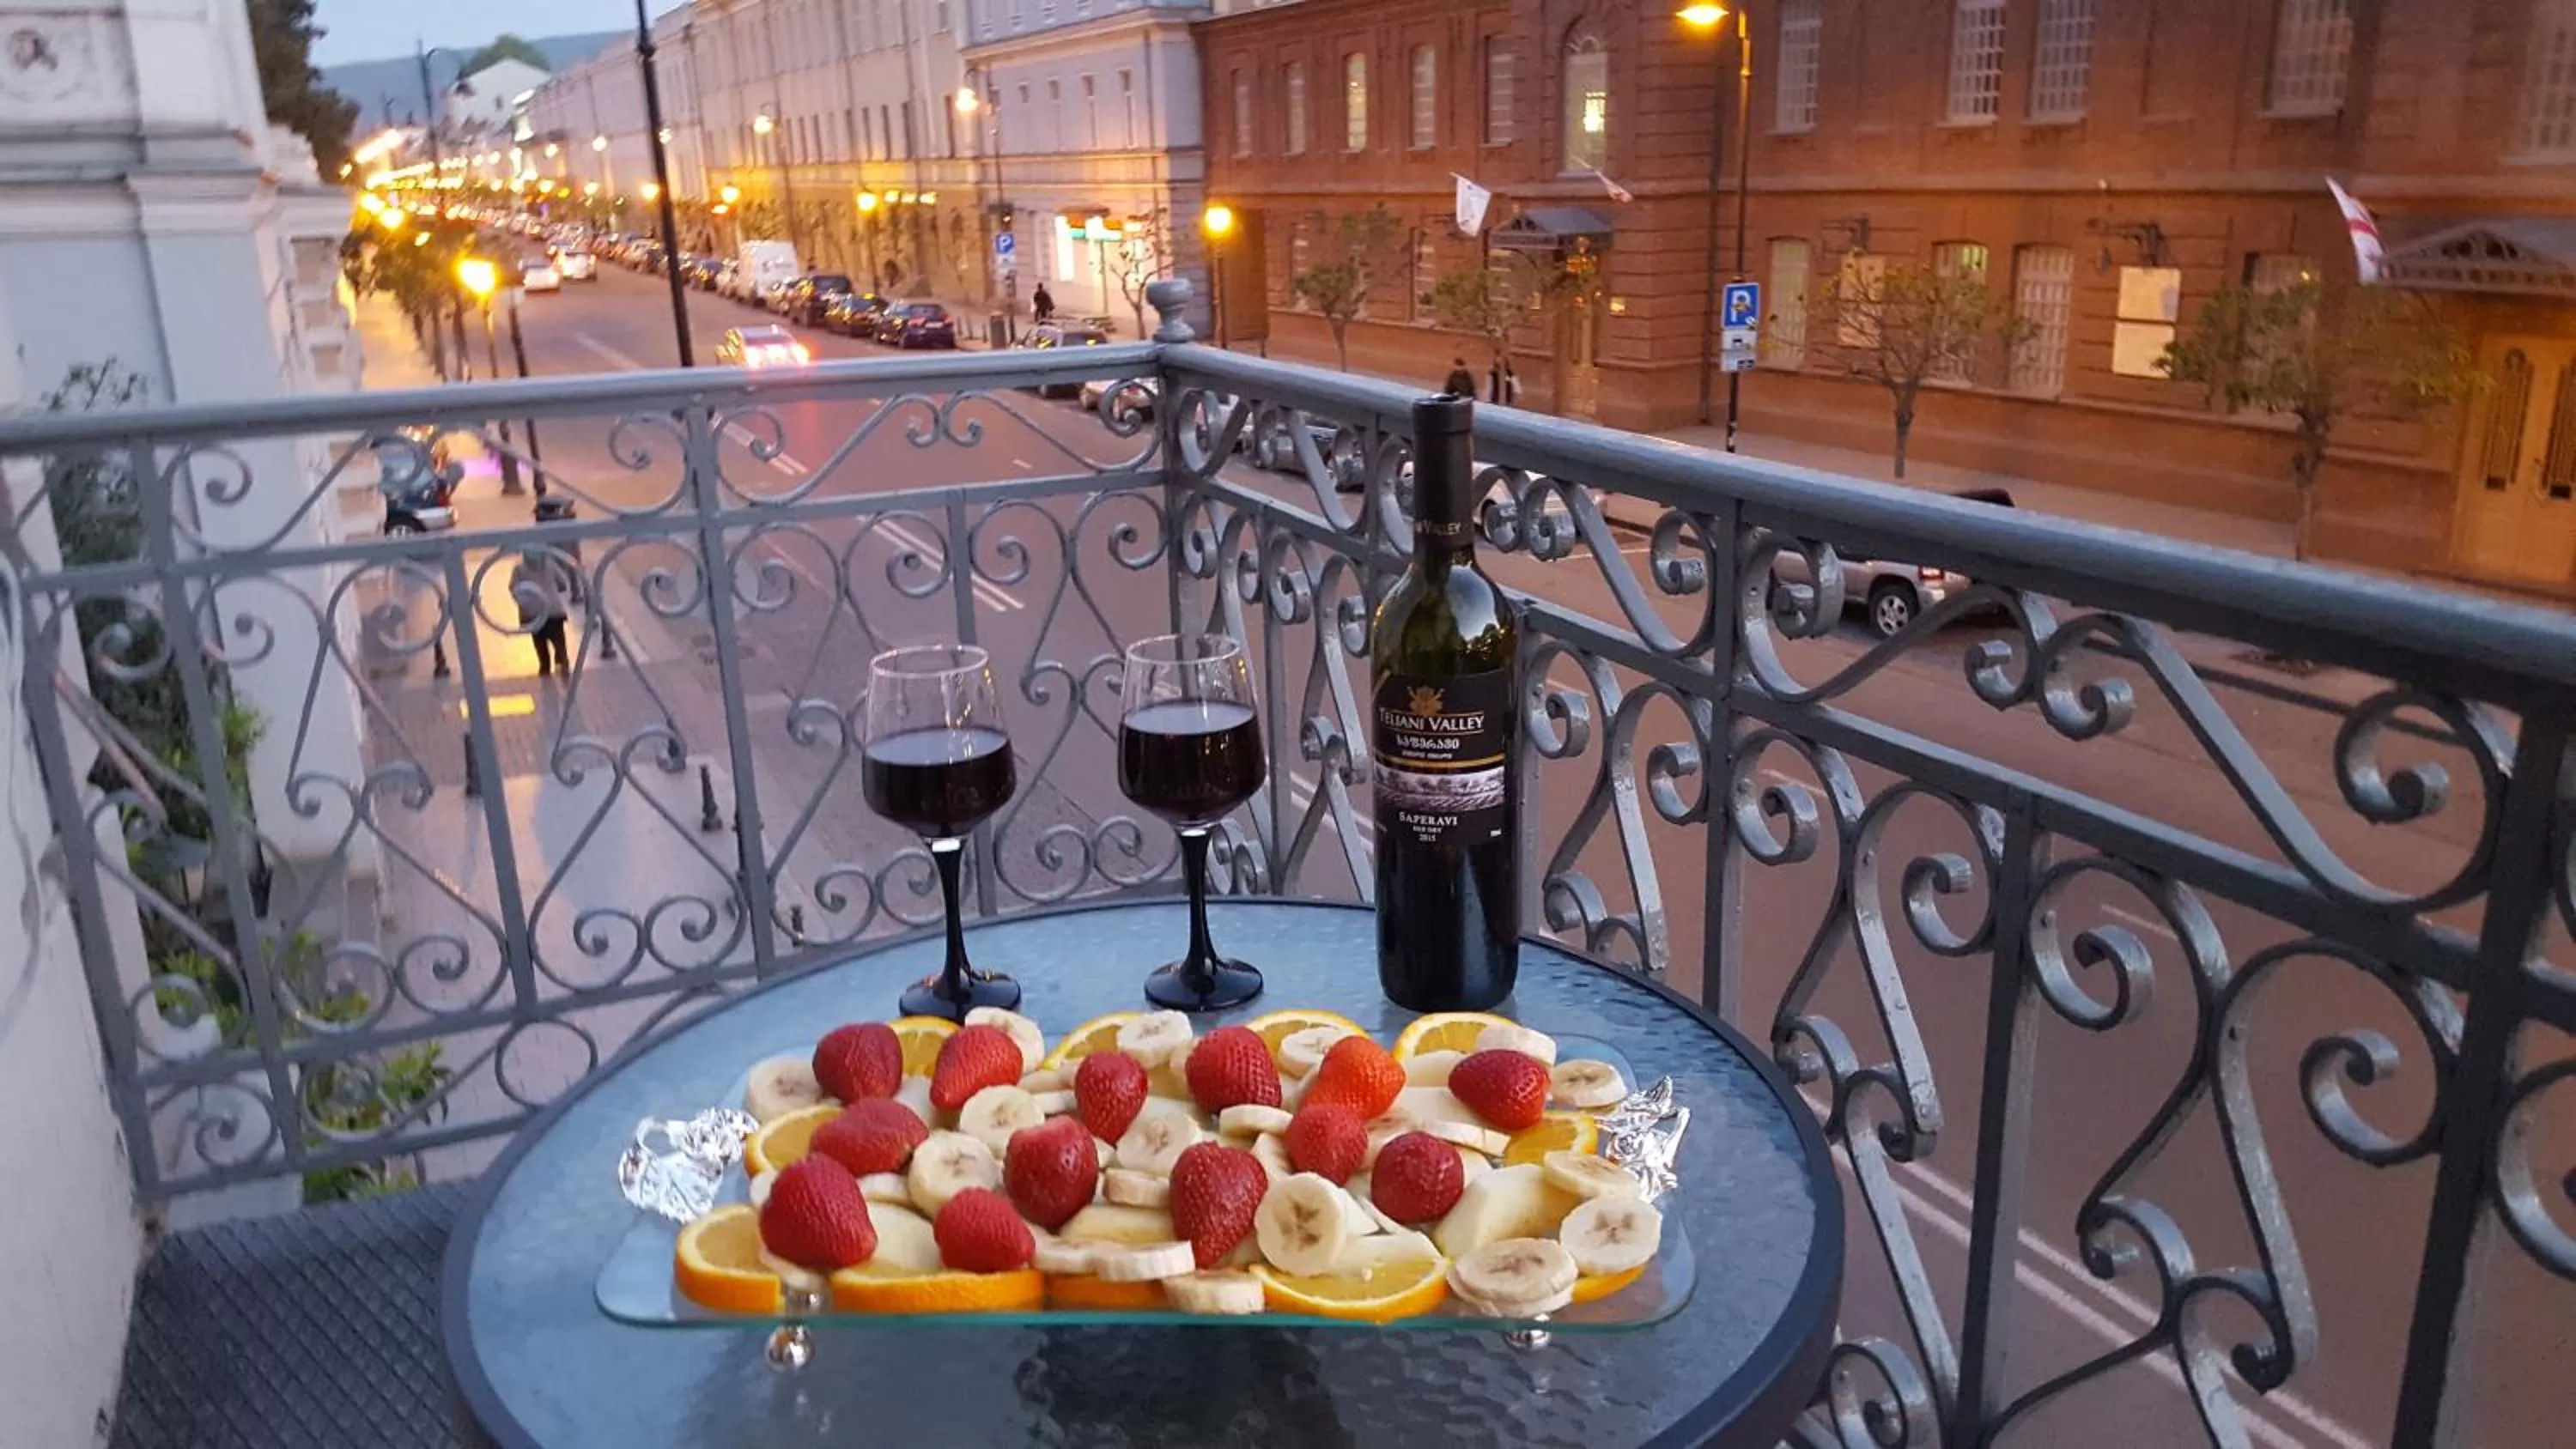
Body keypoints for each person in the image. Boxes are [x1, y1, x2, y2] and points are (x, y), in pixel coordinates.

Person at [511, 547, 574, 678]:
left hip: (532, 613)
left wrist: (524, 601)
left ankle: (545, 668)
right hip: (554, 610)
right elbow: (563, 583)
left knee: (540, 643)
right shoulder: (550, 565)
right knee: (559, 640)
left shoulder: (519, 570)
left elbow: (513, 587)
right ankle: (563, 662)